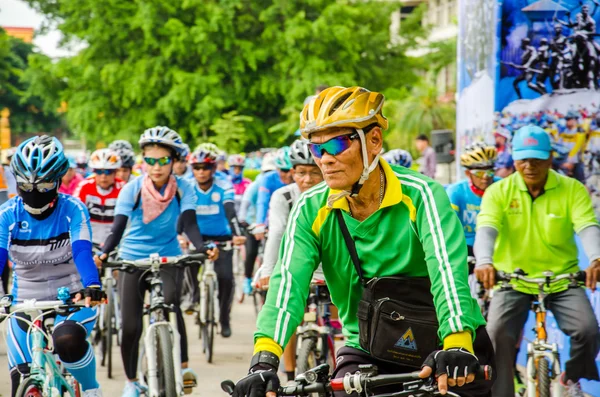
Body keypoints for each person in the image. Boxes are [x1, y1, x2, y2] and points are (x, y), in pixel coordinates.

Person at [233, 86, 494, 397]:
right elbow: (287, 285)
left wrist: (457, 343)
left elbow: (448, 275)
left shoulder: (422, 195)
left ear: (374, 141)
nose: (325, 160)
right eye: (318, 149)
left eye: (338, 143)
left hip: (447, 342)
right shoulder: (310, 208)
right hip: (368, 346)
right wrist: (264, 361)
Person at [474, 125, 600, 397]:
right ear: (514, 158)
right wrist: (484, 261)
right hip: (512, 280)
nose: (530, 166)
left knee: (588, 331)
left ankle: (571, 378)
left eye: (537, 159)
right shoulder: (498, 192)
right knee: (496, 335)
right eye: (523, 159)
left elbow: (587, 226)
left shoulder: (572, 189)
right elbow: (486, 229)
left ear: (550, 158)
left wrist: (596, 258)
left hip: (562, 280)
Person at [94, 126, 218, 397]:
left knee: (171, 306)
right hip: (131, 258)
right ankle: (131, 381)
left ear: (174, 161)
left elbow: (189, 223)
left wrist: (203, 247)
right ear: (143, 161)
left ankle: (183, 367)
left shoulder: (184, 188)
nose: (157, 167)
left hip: (168, 256)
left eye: (163, 160)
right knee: (130, 326)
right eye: (150, 160)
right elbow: (118, 226)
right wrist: (104, 253)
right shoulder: (132, 189)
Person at [0, 136, 104, 397]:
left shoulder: (73, 209)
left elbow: (81, 251)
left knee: (67, 340)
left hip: (72, 295)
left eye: (45, 184)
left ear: (58, 181)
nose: (34, 191)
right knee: (21, 382)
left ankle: (91, 389)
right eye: (26, 184)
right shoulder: (6, 214)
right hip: (25, 300)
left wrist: (92, 285)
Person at [258, 139, 325, 383]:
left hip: (327, 267)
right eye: (301, 173)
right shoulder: (282, 196)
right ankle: (289, 374)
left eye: (314, 173)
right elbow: (276, 232)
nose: (307, 180)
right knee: (288, 316)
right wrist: (267, 270)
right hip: (293, 264)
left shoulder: (336, 194)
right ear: (292, 172)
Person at [179, 146, 245, 338]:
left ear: (214, 169)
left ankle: (224, 316)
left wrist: (236, 234)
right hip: (196, 238)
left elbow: (230, 211)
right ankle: (194, 297)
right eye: (197, 167)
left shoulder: (224, 184)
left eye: (205, 167)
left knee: (226, 279)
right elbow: (182, 214)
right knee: (189, 266)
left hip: (222, 238)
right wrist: (180, 235)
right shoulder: (187, 185)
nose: (201, 172)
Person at [446, 143, 499, 258]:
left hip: (497, 248)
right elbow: (448, 228)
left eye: (490, 172)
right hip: (465, 249)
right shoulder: (455, 192)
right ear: (467, 173)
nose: (485, 177)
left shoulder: (502, 187)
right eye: (479, 172)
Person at [239, 152, 277, 294]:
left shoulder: (280, 183)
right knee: (251, 252)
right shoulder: (255, 185)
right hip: (254, 223)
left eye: (273, 172)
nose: (269, 175)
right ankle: (247, 278)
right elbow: (245, 204)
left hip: (273, 223)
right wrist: (243, 220)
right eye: (267, 172)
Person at [74, 149, 125, 246]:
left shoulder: (123, 188)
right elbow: (73, 215)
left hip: (117, 243)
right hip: (89, 241)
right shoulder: (84, 186)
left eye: (108, 171)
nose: (103, 176)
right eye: (98, 171)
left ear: (115, 172)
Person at [254, 147, 293, 240]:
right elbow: (262, 202)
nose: (289, 175)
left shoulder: (299, 178)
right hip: (274, 220)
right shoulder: (268, 178)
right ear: (277, 169)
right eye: (284, 170)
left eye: (291, 170)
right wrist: (260, 223)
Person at [551, 110, 587, 181]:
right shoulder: (564, 131)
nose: (567, 121)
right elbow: (558, 144)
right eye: (566, 119)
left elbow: (576, 148)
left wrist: (568, 160)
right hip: (564, 159)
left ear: (575, 120)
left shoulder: (579, 131)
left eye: (569, 119)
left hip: (575, 160)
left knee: (581, 183)